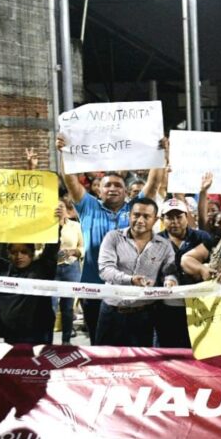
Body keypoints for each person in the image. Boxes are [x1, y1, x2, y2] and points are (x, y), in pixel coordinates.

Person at [56, 134, 165, 343]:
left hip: (131, 292)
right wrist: (64, 152)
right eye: (107, 185)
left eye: (117, 185)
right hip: (94, 290)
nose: (113, 188)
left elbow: (154, 183)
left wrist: (159, 154)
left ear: (126, 191)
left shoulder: (136, 209)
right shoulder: (88, 206)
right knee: (100, 347)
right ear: (99, 190)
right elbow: (70, 179)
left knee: (136, 347)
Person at [97, 198, 178, 347]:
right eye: (136, 215)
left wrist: (170, 281)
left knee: (141, 364)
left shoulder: (165, 245)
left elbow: (169, 270)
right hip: (112, 312)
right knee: (104, 361)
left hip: (144, 315)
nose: (140, 220)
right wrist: (131, 280)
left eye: (146, 216)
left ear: (155, 220)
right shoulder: (113, 237)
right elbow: (105, 270)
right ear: (129, 216)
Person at [0, 237, 60, 345]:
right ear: (8, 253)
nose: (19, 256)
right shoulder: (1, 270)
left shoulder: (42, 270)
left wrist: (57, 227)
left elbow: (52, 250)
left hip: (38, 334)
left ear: (32, 253)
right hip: (11, 335)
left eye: (24, 252)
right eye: (14, 252)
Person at [155, 198, 213, 349]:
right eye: (169, 217)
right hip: (166, 309)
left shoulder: (202, 238)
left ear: (187, 217)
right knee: (167, 353)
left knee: (198, 350)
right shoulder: (155, 241)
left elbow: (213, 266)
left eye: (179, 217)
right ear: (162, 219)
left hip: (198, 307)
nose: (174, 221)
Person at [54, 198, 83, 344]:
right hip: (51, 269)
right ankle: (46, 341)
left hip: (71, 268)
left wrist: (74, 251)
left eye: (61, 207)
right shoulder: (44, 227)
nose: (59, 210)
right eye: (56, 207)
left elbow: (83, 247)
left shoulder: (76, 226)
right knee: (50, 307)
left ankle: (66, 341)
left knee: (68, 308)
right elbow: (37, 249)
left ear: (66, 209)